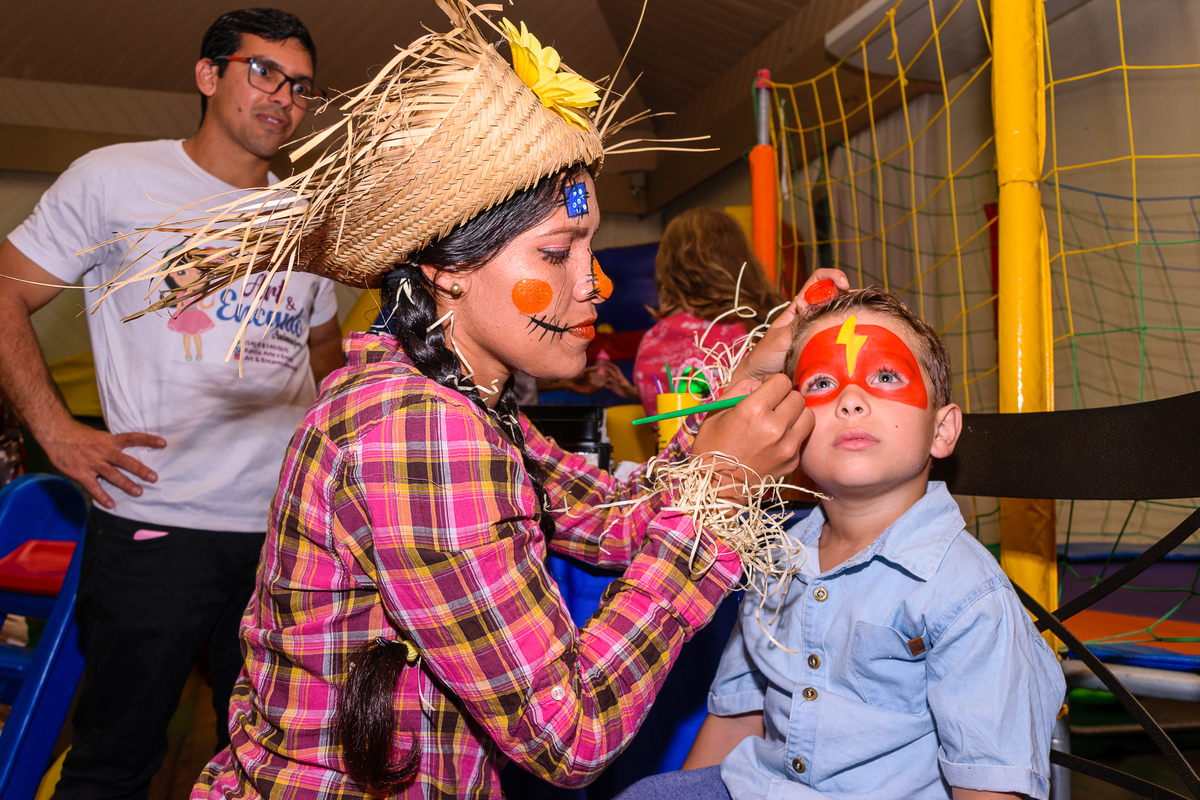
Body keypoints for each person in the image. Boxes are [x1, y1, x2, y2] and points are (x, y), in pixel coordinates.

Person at [101, 5, 841, 798]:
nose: (590, 284)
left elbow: (614, 517)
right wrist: (719, 498)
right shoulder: (418, 433)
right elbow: (570, 732)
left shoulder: (463, 405)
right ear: (448, 268)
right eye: (556, 254)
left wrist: (736, 395)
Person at [0, 9, 343, 799]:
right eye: (262, 72)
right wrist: (57, 433)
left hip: (283, 542)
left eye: (299, 87)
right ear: (208, 74)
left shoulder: (309, 219)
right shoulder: (115, 178)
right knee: (114, 761)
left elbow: (322, 356)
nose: (283, 98)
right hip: (157, 526)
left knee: (272, 764)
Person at [617, 288, 1066, 800]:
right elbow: (736, 716)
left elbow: (990, 787)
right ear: (788, 430)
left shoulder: (965, 594)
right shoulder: (772, 556)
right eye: (823, 382)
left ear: (942, 431)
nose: (851, 399)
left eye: (885, 376)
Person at [620, 207, 791, 417]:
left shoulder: (651, 342)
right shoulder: (753, 327)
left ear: (667, 267)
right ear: (737, 260)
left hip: (670, 449)